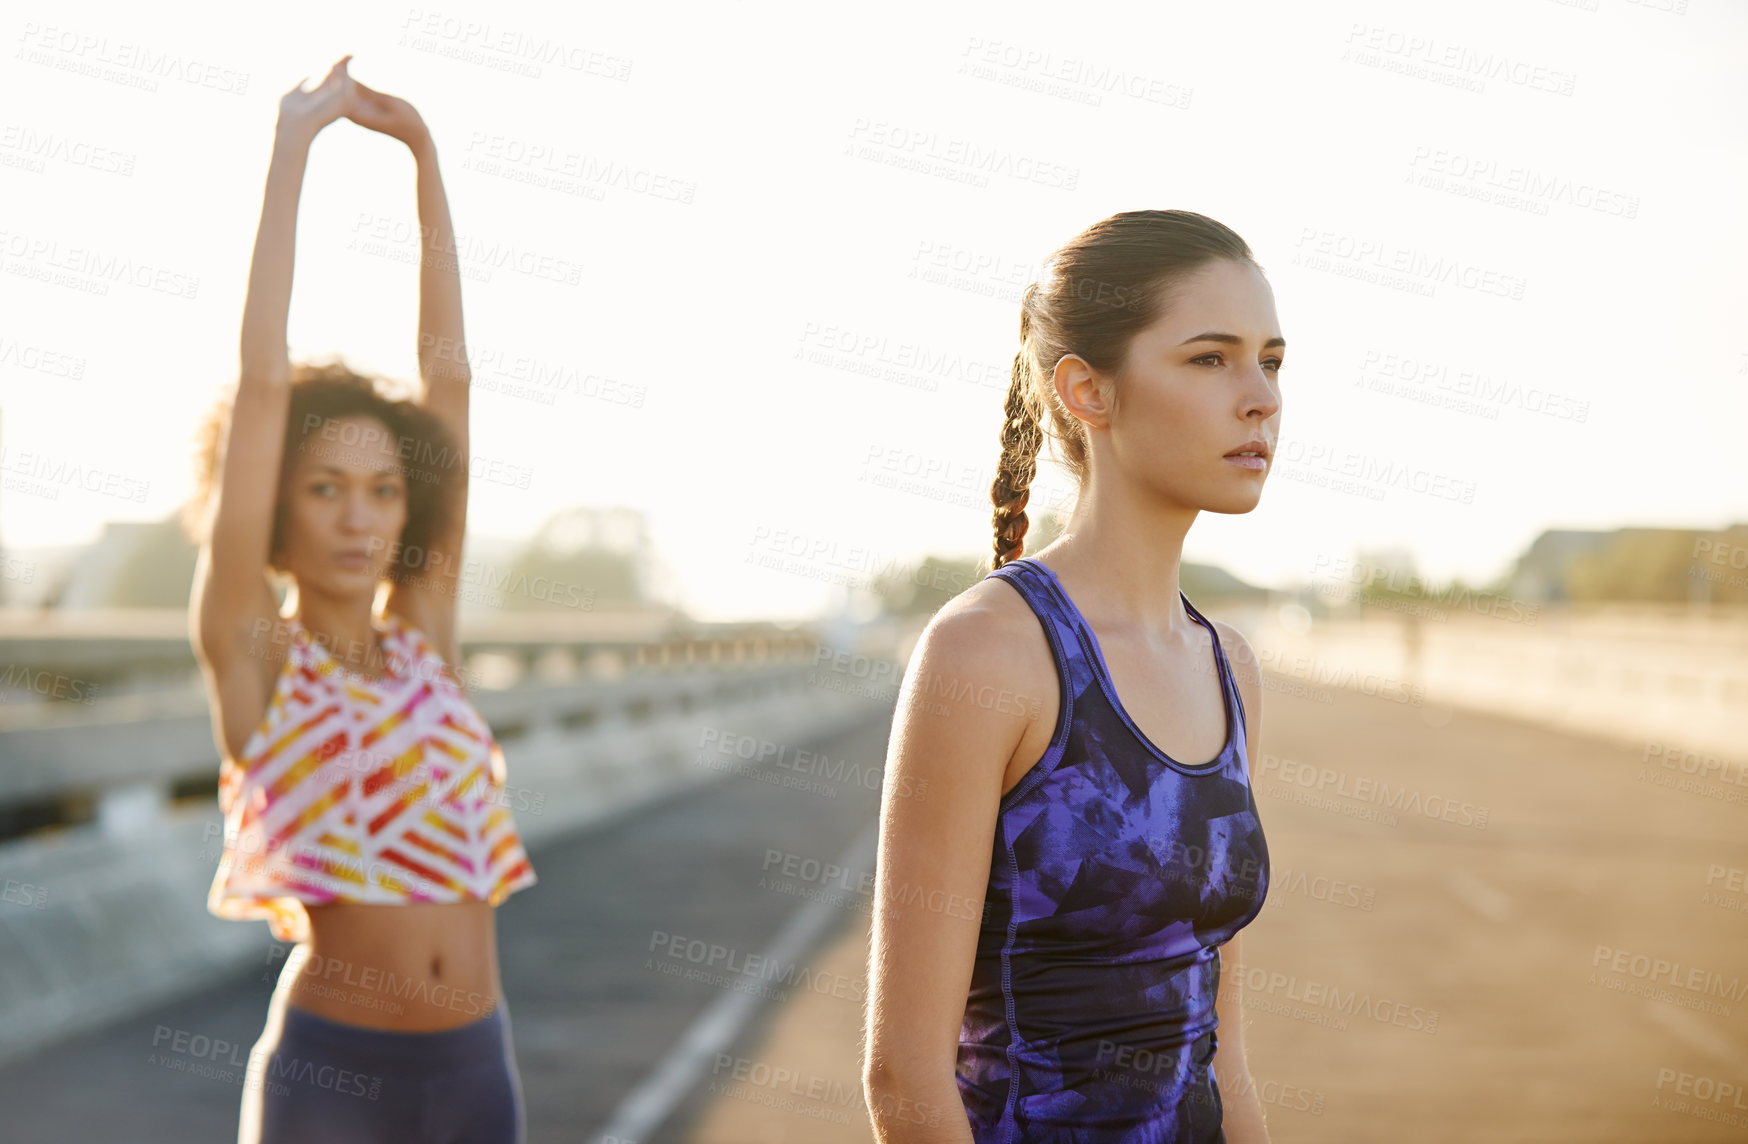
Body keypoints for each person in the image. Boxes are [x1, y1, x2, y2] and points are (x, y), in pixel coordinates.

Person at [863, 210, 1279, 1143]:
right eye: (1210, 359)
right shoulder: (988, 652)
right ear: (1087, 390)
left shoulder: (1229, 668)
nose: (1259, 397)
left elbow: (1224, 1052)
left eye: (1271, 360)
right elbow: (903, 1080)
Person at [182, 56, 537, 1143]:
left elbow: (451, 382)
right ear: (276, 511)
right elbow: (262, 383)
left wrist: (426, 161)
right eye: (325, 488)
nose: (358, 517)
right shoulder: (254, 653)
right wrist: (294, 148)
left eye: (384, 489)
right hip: (332, 1079)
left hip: (478, 1062)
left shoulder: (423, 637)